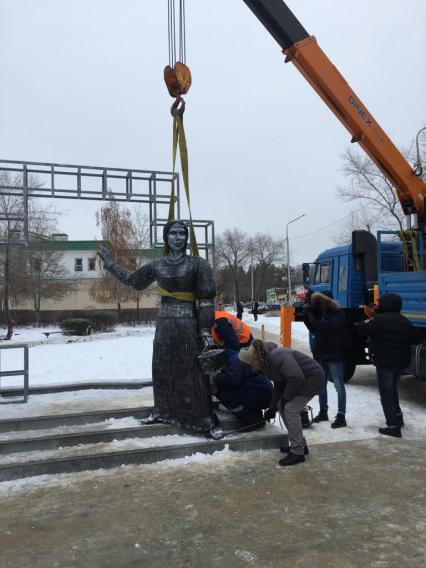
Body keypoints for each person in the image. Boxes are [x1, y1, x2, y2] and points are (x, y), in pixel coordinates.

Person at [97, 220, 223, 439]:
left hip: (188, 324)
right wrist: (110, 265)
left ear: (186, 237)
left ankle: (204, 419)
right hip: (165, 324)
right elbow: (133, 280)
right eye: (172, 233)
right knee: (163, 368)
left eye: (181, 234)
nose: (177, 238)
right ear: (166, 237)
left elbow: (205, 300)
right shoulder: (158, 265)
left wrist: (205, 331)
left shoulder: (197, 264)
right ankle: (163, 410)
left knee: (193, 372)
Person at [239, 339, 326, 466]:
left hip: (312, 379)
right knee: (282, 406)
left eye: (249, 365)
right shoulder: (266, 365)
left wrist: (286, 398)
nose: (250, 369)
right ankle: (300, 445)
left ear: (255, 359)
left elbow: (296, 377)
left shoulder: (277, 356)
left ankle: (298, 452)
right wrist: (272, 408)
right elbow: (280, 385)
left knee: (290, 409)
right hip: (300, 380)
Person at [354, 293, 414, 438]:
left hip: (385, 363)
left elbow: (363, 329)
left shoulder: (380, 320)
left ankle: (393, 426)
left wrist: (357, 323)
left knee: (386, 394)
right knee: (393, 390)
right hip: (400, 363)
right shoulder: (404, 320)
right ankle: (398, 417)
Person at [303, 291, 347, 428]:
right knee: (321, 384)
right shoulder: (320, 314)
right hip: (321, 354)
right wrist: (307, 317)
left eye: (321, 302)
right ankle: (323, 412)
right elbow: (315, 329)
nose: (320, 305)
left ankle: (341, 415)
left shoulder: (338, 314)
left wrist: (313, 320)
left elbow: (328, 327)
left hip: (335, 354)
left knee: (338, 385)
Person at [212, 349, 273, 429]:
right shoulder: (234, 358)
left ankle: (253, 420)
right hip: (260, 390)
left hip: (261, 391)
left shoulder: (235, 359)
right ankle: (255, 418)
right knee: (232, 396)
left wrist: (216, 381)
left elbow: (232, 381)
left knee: (227, 397)